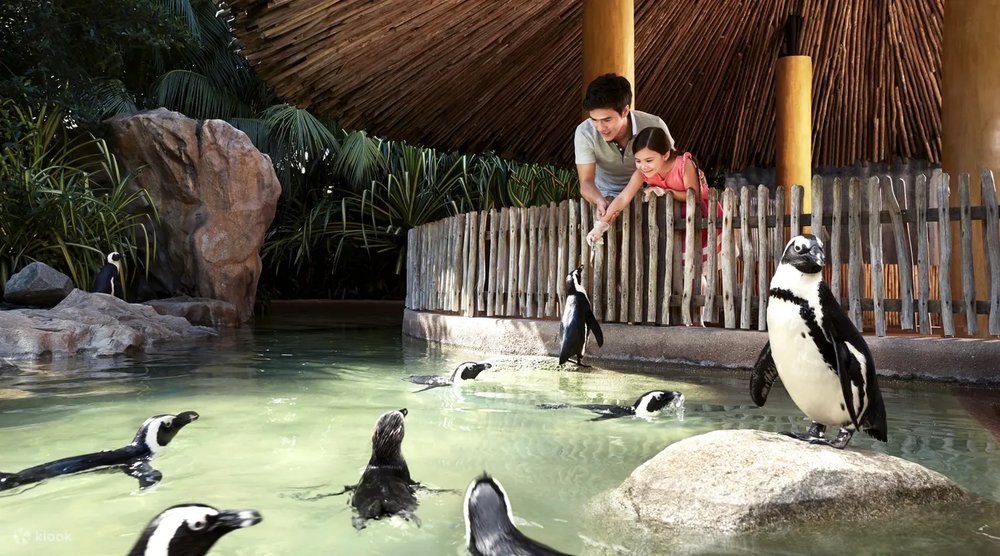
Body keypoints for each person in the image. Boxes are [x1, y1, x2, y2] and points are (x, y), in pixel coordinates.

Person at [586, 127, 719, 258]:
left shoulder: (683, 165)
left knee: (698, 264)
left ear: (665, 155)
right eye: (638, 161)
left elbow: (694, 197)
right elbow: (623, 197)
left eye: (649, 160)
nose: (643, 166)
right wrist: (601, 225)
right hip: (670, 221)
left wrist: (666, 191)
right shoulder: (642, 173)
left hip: (700, 217)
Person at [574, 74, 674, 219]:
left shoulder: (654, 125)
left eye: (607, 119)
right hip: (606, 198)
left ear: (625, 111)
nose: (600, 127)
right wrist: (599, 201)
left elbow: (672, 166)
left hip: (649, 196)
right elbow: (586, 182)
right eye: (594, 120)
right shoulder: (585, 132)